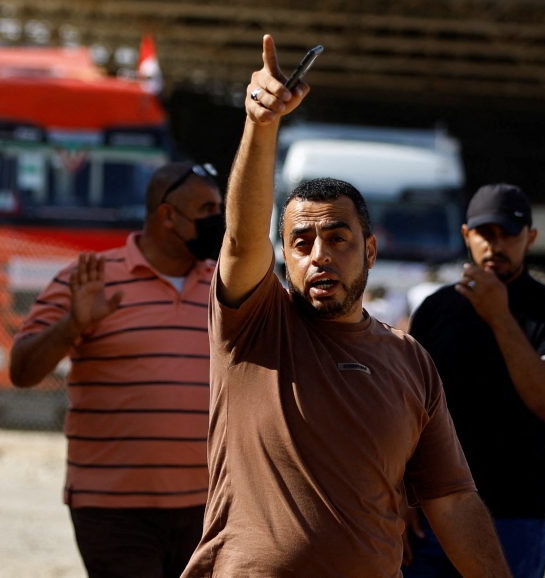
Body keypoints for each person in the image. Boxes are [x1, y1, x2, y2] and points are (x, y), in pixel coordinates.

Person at [181, 35, 510, 578]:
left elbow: (451, 499)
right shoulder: (254, 326)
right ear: (283, 255)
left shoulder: (409, 362)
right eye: (302, 243)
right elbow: (240, 241)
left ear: (370, 250)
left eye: (338, 239)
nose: (319, 256)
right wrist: (261, 125)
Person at [10, 162, 224, 578]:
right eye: (206, 209)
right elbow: (22, 371)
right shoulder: (89, 279)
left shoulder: (224, 287)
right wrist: (72, 324)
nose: (218, 220)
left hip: (206, 508)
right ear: (167, 216)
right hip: (113, 509)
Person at [404, 183, 545, 578]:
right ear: (467, 235)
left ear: (530, 238)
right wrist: (401, 497)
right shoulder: (436, 309)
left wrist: (499, 316)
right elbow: (407, 410)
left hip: (514, 514)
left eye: (508, 233)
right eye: (487, 233)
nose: (496, 244)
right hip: (433, 512)